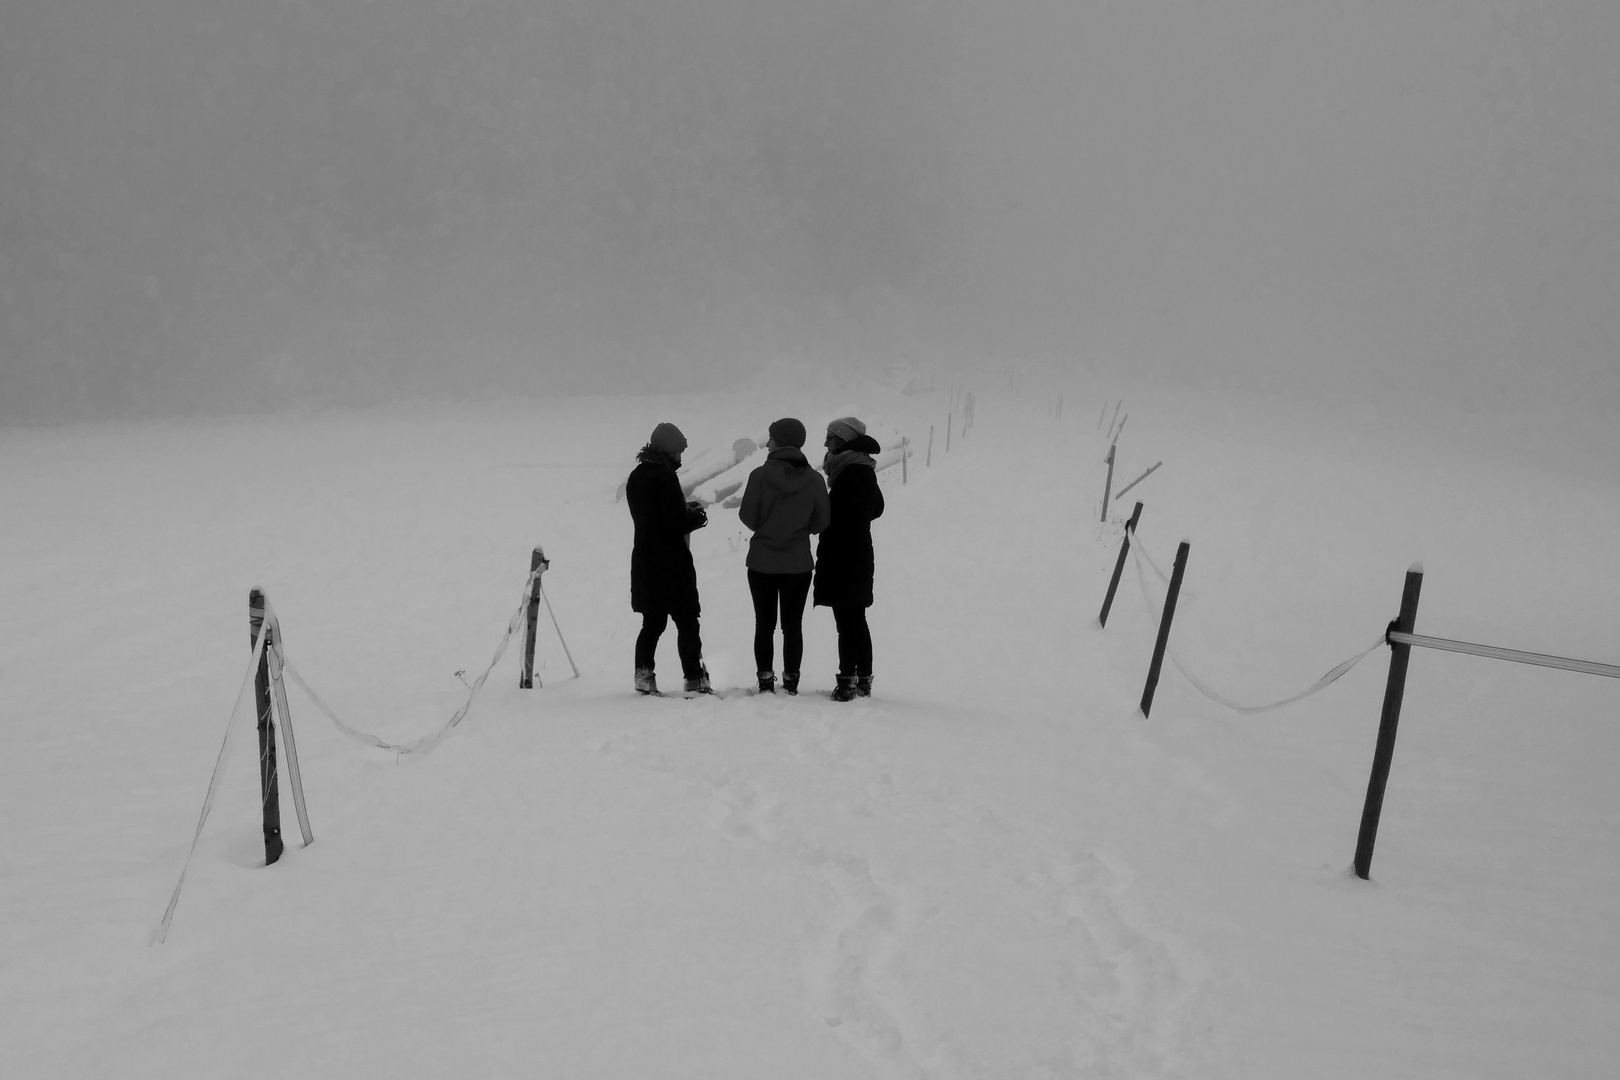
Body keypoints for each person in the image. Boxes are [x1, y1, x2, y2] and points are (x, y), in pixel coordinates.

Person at [738, 417, 831, 695]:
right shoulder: (814, 479)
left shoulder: (759, 476)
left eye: (771, 437)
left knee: (763, 624)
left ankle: (766, 679)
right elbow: (822, 521)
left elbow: (748, 517)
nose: (768, 443)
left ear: (779, 441)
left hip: (762, 563)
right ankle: (791, 680)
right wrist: (800, 529)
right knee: (793, 626)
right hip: (798, 564)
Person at [625, 422, 711, 695]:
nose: (681, 459)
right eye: (678, 452)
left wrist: (681, 511)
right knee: (687, 621)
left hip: (645, 561)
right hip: (672, 563)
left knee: (652, 623)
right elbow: (673, 523)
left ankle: (643, 676)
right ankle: (694, 678)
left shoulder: (637, 476)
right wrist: (694, 517)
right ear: (669, 451)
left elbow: (653, 517)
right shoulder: (665, 477)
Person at [813, 416, 885, 701]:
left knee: (847, 620)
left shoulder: (852, 473)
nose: (826, 444)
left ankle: (847, 682)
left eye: (830, 438)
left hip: (844, 554)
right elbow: (876, 507)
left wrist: (825, 517)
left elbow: (847, 514)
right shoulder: (861, 468)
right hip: (857, 552)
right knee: (856, 618)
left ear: (842, 441)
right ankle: (862, 679)